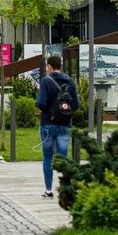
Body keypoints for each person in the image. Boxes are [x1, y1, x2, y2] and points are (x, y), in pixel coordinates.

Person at [34, 54, 79, 199]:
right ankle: (65, 189)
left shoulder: (46, 81)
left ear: (49, 66)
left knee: (47, 157)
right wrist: (66, 112)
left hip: (47, 123)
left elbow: (41, 103)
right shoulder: (70, 81)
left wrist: (46, 109)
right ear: (60, 66)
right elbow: (76, 104)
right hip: (64, 125)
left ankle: (48, 189)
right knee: (63, 158)